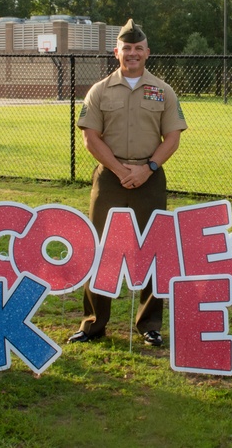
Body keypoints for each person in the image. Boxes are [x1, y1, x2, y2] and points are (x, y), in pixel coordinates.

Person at [67, 19, 187, 347]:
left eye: (138, 48)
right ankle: (94, 323)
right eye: (126, 48)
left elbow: (172, 137)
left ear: (147, 52)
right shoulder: (100, 90)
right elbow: (91, 138)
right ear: (116, 52)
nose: (132, 54)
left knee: (152, 249)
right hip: (110, 177)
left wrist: (147, 169)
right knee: (100, 249)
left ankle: (149, 324)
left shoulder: (163, 91)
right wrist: (120, 170)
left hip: (149, 177)